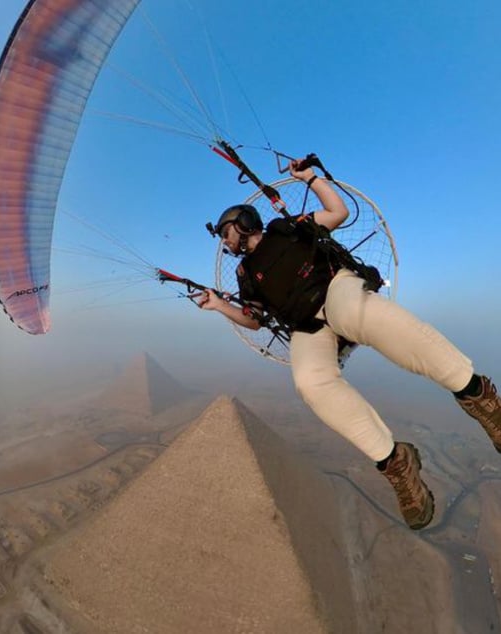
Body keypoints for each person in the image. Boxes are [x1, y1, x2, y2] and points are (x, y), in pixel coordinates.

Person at [192, 159, 501, 530]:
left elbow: (338, 212)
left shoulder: (286, 228)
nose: (224, 241)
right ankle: (396, 462)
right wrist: (219, 305)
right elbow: (255, 320)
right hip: (307, 326)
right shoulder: (245, 275)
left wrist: (311, 178)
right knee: (310, 382)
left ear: (242, 223)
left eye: (225, 232)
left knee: (356, 314)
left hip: (335, 290)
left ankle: (479, 396)